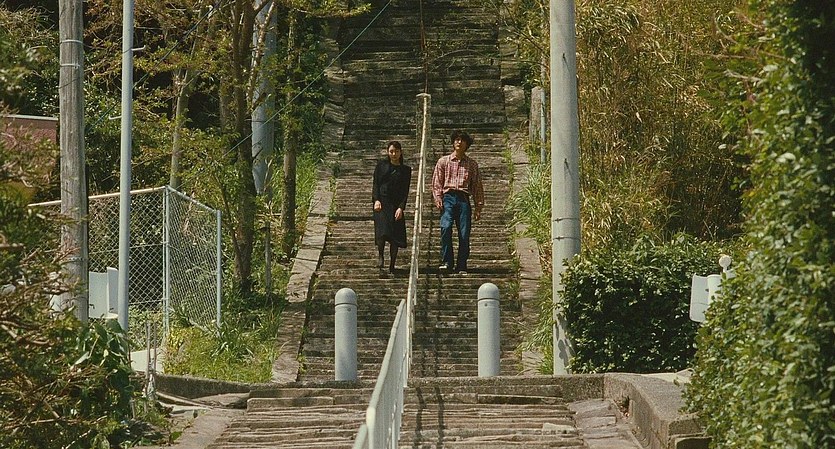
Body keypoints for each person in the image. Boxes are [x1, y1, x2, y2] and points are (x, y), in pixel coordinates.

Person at [431, 130, 484, 274]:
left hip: (463, 198)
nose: (459, 142)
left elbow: (477, 186)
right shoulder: (444, 161)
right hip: (448, 197)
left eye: (462, 140)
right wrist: (438, 198)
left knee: (464, 233)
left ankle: (461, 265)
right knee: (446, 226)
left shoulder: (472, 164)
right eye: (456, 140)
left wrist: (478, 206)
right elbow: (437, 182)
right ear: (453, 142)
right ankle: (447, 261)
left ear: (467, 144)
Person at [372, 141, 412, 273]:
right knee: (382, 231)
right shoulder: (381, 166)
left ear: (400, 152)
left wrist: (401, 207)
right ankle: (381, 256)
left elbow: (405, 191)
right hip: (382, 203)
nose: (394, 154)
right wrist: (376, 200)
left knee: (395, 235)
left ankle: (392, 265)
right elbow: (376, 184)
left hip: (396, 204)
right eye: (391, 151)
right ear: (388, 152)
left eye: (396, 151)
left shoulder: (405, 170)